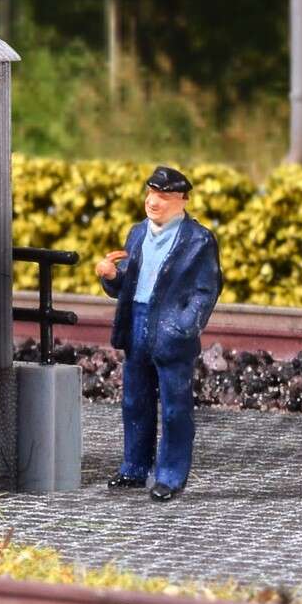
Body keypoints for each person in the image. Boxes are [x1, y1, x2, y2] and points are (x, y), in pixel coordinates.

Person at [94, 165, 222, 502]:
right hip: (135, 323)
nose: (154, 202)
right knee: (135, 401)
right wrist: (110, 276)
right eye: (151, 194)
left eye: (163, 196)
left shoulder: (198, 240)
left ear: (182, 200)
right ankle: (134, 468)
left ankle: (170, 475)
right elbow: (125, 285)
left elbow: (205, 291)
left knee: (175, 407)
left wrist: (183, 326)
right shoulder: (137, 234)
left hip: (170, 329)